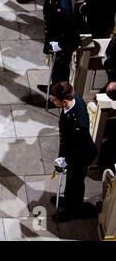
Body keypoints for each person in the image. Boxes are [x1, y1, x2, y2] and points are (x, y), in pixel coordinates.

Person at [49, 82, 98, 222]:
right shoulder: (72, 96)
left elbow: (76, 146)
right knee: (71, 181)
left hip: (82, 154)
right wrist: (62, 156)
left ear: (64, 101)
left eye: (54, 98)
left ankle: (73, 211)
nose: (51, 99)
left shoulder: (79, 124)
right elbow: (65, 137)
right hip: (73, 150)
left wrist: (66, 161)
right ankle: (71, 201)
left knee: (75, 182)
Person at [32, 0, 81, 94]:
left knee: (61, 69)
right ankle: (54, 87)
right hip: (56, 35)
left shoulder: (62, 8)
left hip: (64, 42)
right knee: (56, 69)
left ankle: (58, 95)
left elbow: (71, 32)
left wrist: (59, 45)